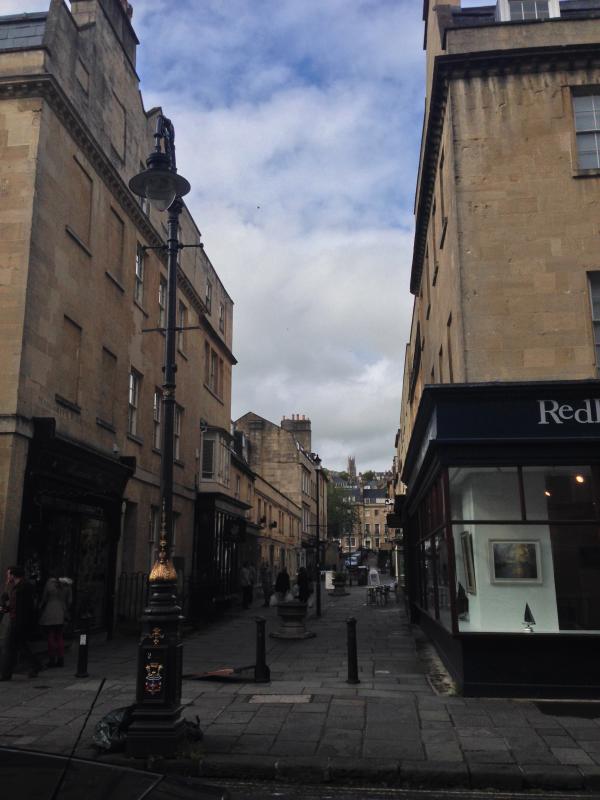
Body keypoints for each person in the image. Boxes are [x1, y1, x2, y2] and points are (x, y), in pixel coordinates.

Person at [0, 565, 42, 681]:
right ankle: (35, 665)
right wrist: (6, 606)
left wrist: (6, 604)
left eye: (8, 574)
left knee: (8, 647)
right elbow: (15, 606)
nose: (7, 577)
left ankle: (5, 673)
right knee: (21, 645)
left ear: (13, 575)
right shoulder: (17, 587)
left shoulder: (23, 587)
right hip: (17, 620)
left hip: (18, 621)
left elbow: (23, 607)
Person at [38, 573, 72, 668]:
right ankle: (61, 659)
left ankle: (52, 659)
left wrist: (40, 607)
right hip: (62, 612)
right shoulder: (67, 584)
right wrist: (65, 608)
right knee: (60, 636)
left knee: (51, 636)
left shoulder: (49, 583)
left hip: (50, 611)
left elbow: (44, 598)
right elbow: (70, 601)